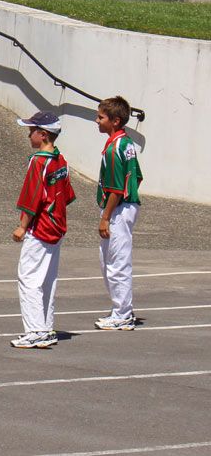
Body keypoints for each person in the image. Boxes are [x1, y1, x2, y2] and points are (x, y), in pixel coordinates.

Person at [10, 111, 75, 349]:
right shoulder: (60, 160)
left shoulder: (38, 161)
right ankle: (45, 328)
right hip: (57, 225)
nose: (29, 135)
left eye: (32, 131)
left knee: (28, 278)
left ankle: (36, 330)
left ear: (43, 134)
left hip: (41, 228)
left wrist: (22, 226)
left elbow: (31, 196)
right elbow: (66, 195)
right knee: (47, 279)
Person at [94, 96, 143, 331]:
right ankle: (120, 309)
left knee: (116, 262)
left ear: (115, 121)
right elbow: (137, 176)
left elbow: (114, 188)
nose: (97, 121)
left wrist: (106, 217)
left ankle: (123, 313)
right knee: (110, 260)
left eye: (101, 117)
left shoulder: (115, 148)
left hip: (118, 209)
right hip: (126, 206)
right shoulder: (127, 143)